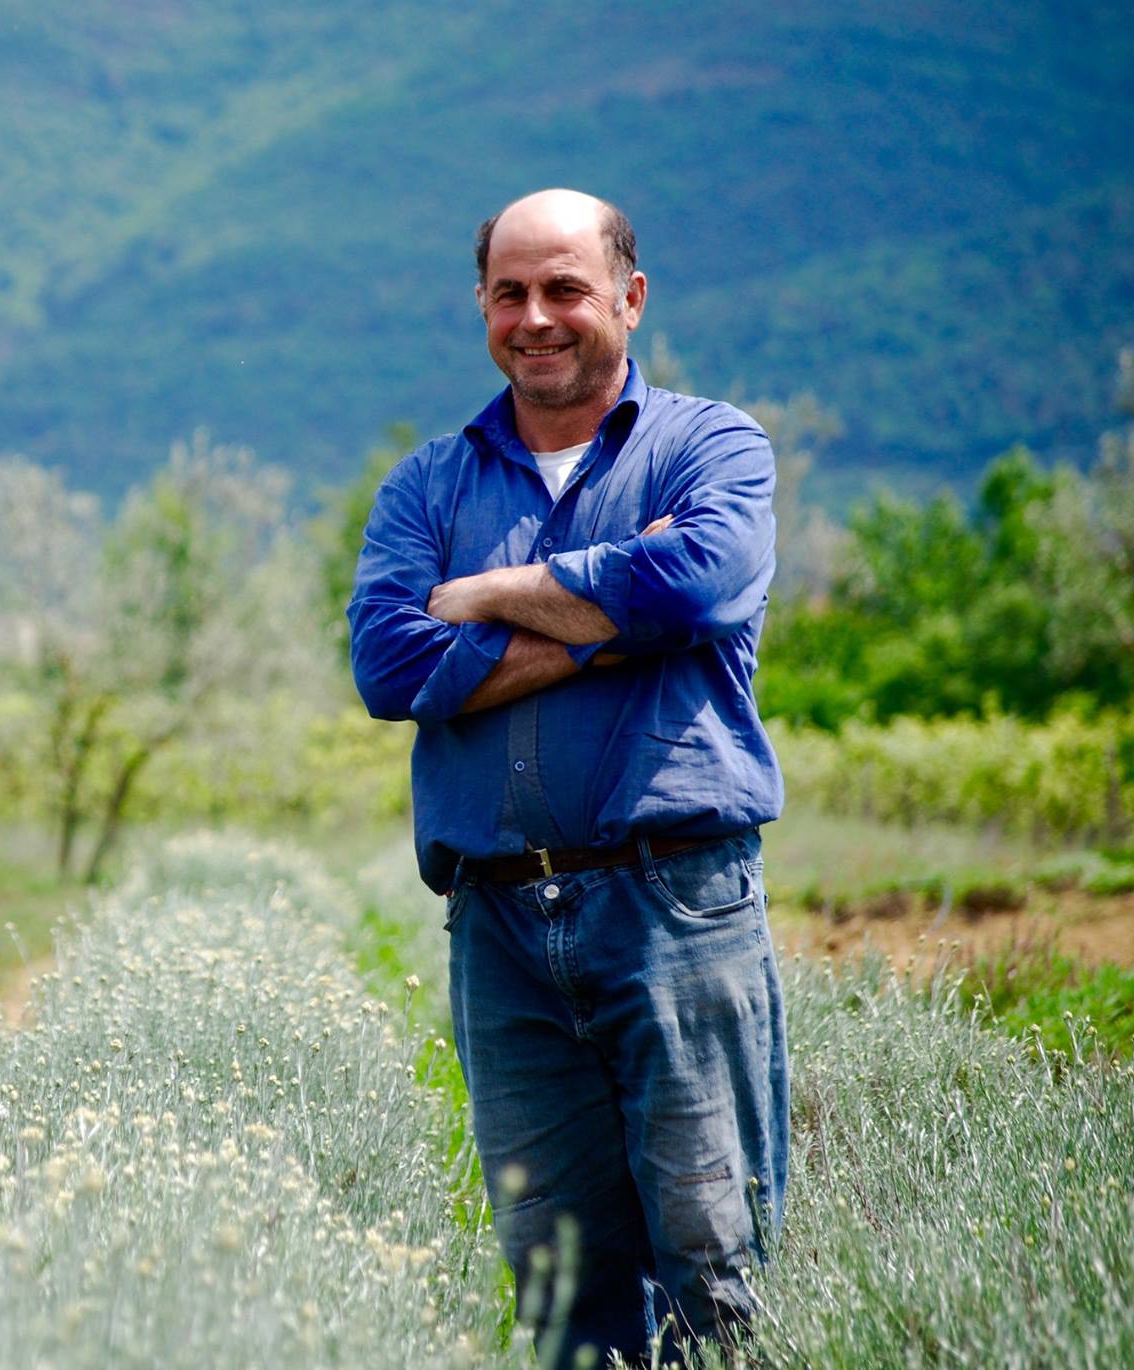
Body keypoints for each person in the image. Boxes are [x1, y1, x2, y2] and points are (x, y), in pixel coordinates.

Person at [346, 188, 789, 1367]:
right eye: (510, 292)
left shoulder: (711, 446)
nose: (535, 317)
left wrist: (490, 594)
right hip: (495, 922)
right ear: (481, 305)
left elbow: (693, 585)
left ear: (628, 300)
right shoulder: (427, 484)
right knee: (556, 1287)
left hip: (674, 905)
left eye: (565, 289)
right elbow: (388, 663)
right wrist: (611, 619)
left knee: (716, 1261)